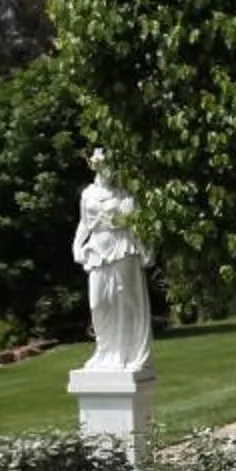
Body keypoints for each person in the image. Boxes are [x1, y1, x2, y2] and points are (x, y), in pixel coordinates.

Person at [74, 151, 152, 373]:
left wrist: (145, 249)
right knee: (98, 303)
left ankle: (125, 353)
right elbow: (84, 223)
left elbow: (136, 225)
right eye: (105, 165)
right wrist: (77, 245)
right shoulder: (88, 194)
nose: (110, 170)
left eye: (113, 166)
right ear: (96, 166)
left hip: (122, 247)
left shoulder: (124, 194)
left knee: (125, 299)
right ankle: (104, 350)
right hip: (97, 249)